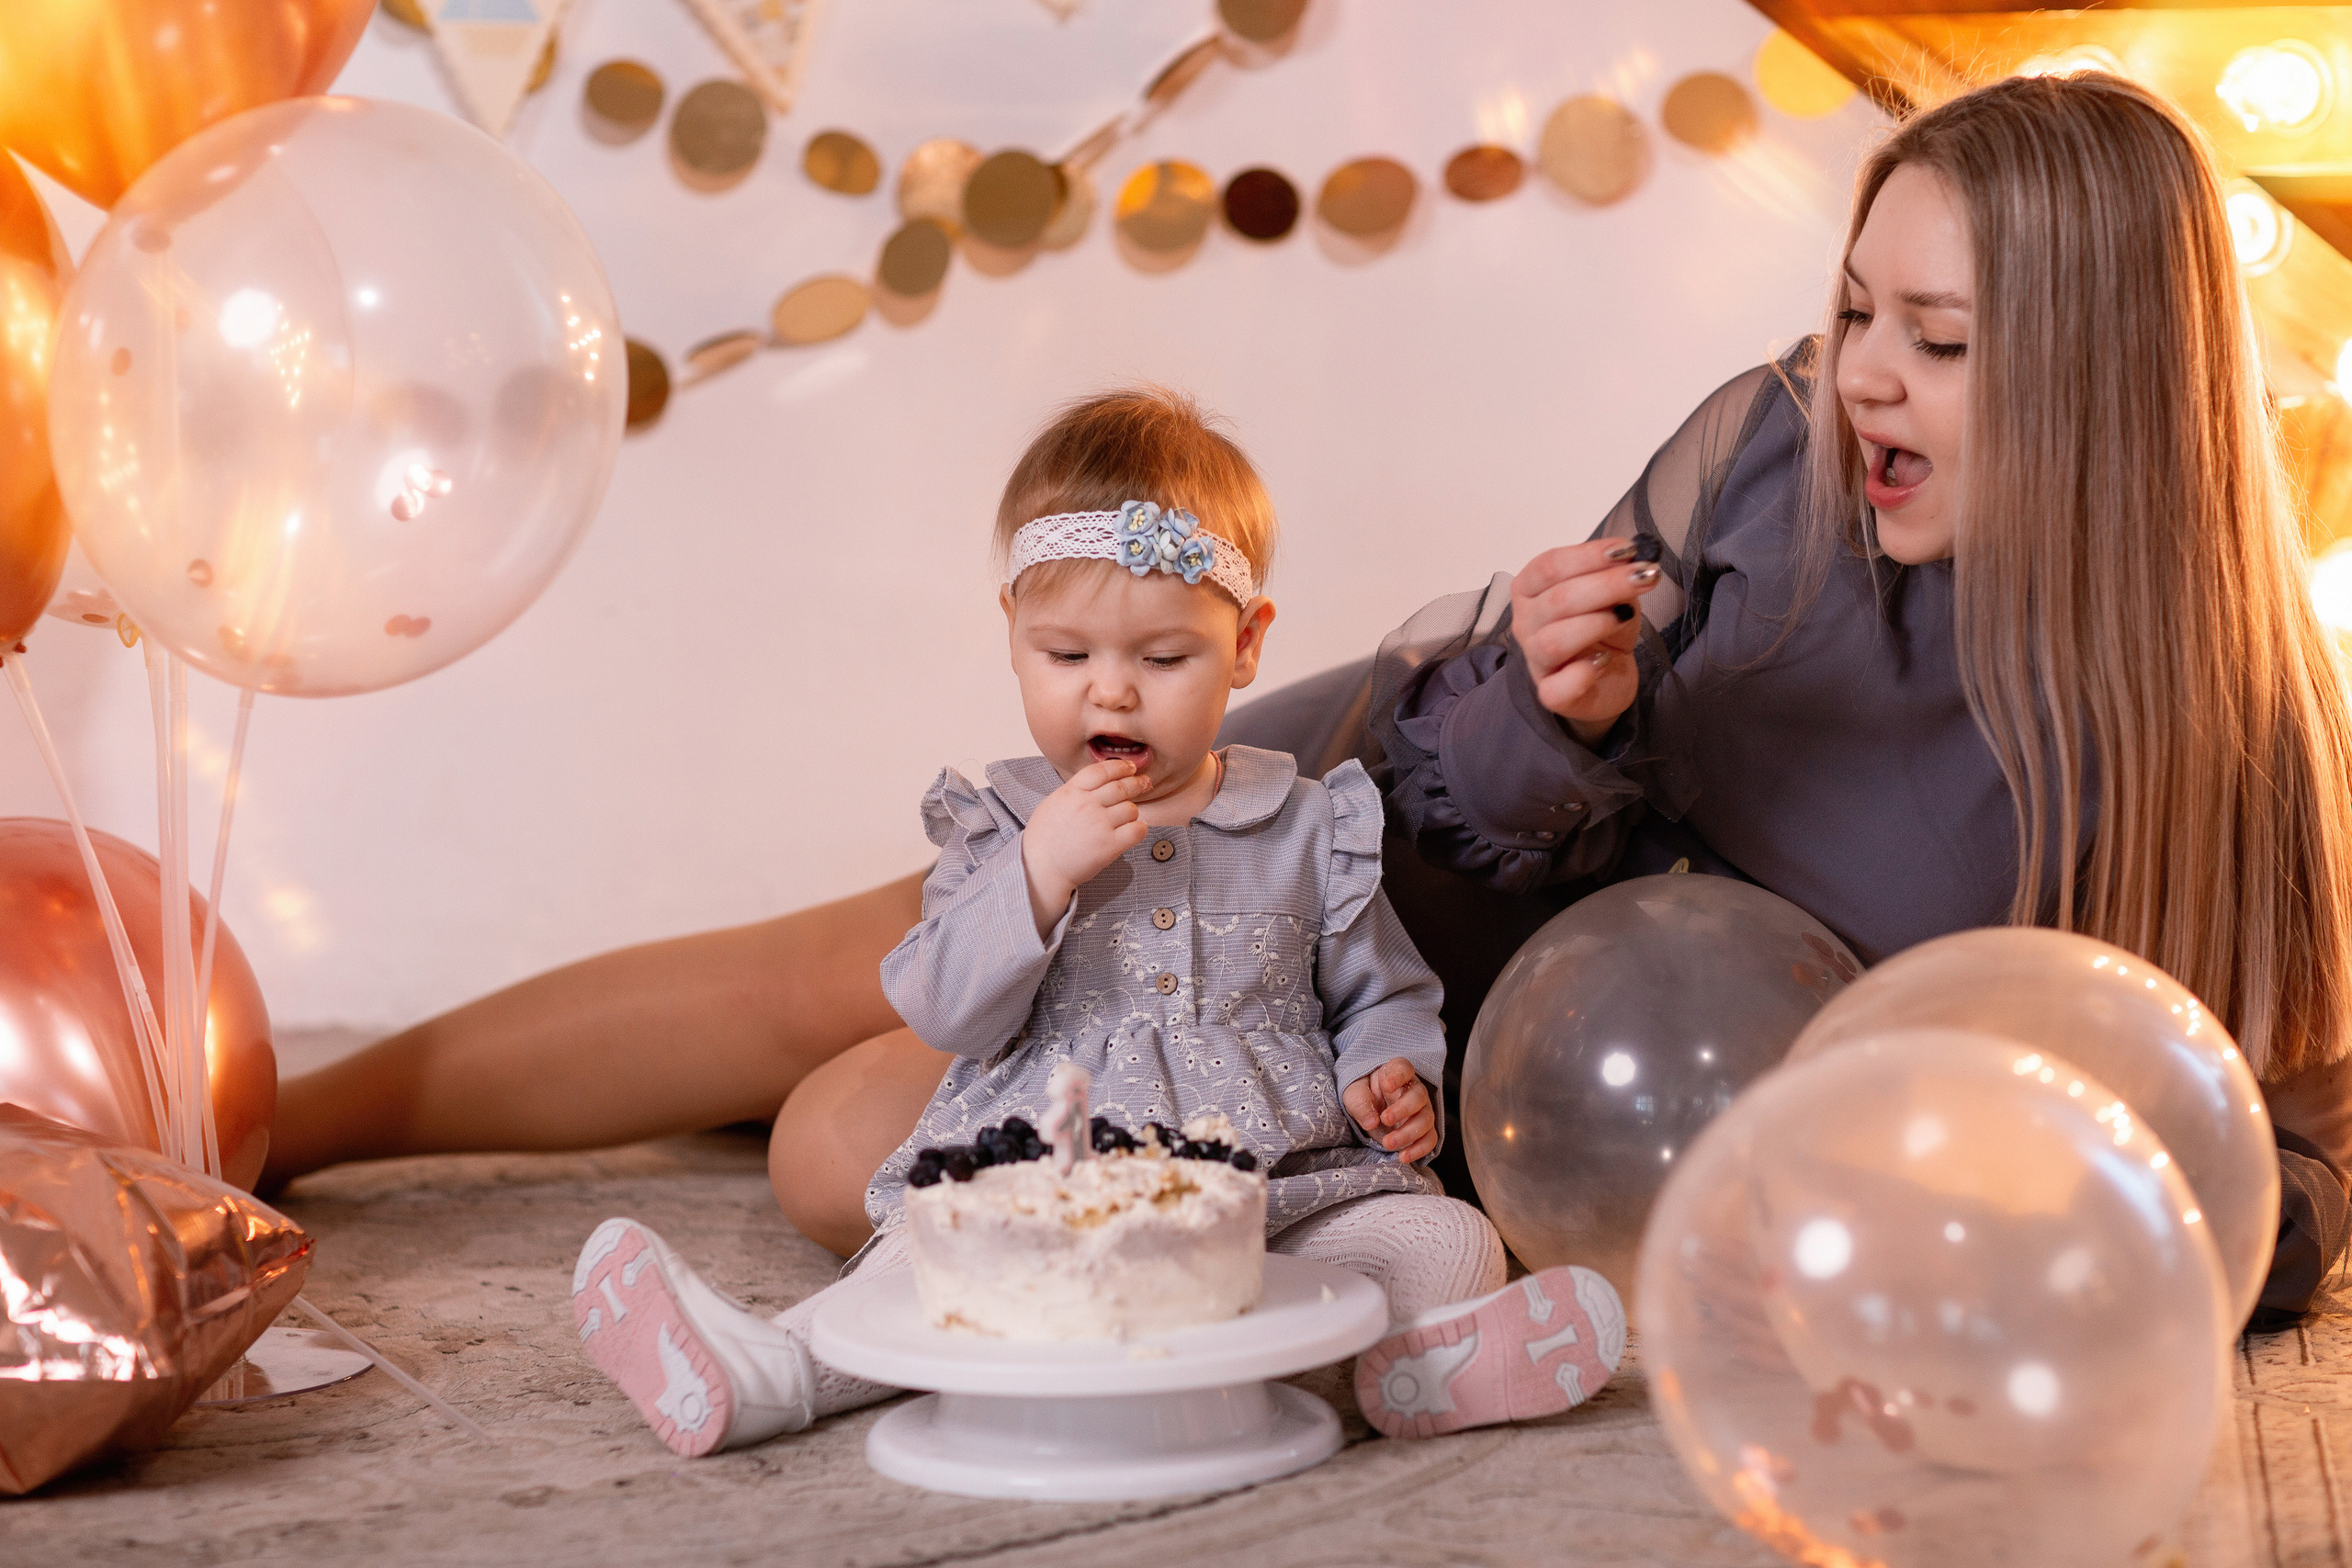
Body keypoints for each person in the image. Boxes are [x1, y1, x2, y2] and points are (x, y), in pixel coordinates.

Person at [266, 72, 2350, 1329]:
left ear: (2090, 386)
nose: (1859, 373)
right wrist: (1561, 697)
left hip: (1477, 1082)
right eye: (1850, 308)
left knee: (845, 1130)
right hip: (1384, 853)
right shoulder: (1771, 458)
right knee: (852, 962)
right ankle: (263, 1119)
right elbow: (1481, 767)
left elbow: (2280, 1169)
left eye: (1936, 339)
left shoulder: (2213, 755)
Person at [566, 389, 1625, 1457]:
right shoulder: (1001, 829)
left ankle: (1418, 1368)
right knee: (926, 1260)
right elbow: (945, 1007)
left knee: (1443, 1236)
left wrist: (1387, 1071)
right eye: (1066, 656)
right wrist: (1037, 875)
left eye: (1163, 661)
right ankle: (767, 1373)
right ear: (1013, 636)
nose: (1110, 695)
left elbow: (1378, 989)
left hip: (1279, 1191)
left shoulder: (1305, 821)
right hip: (1046, 1191)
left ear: (1246, 644)